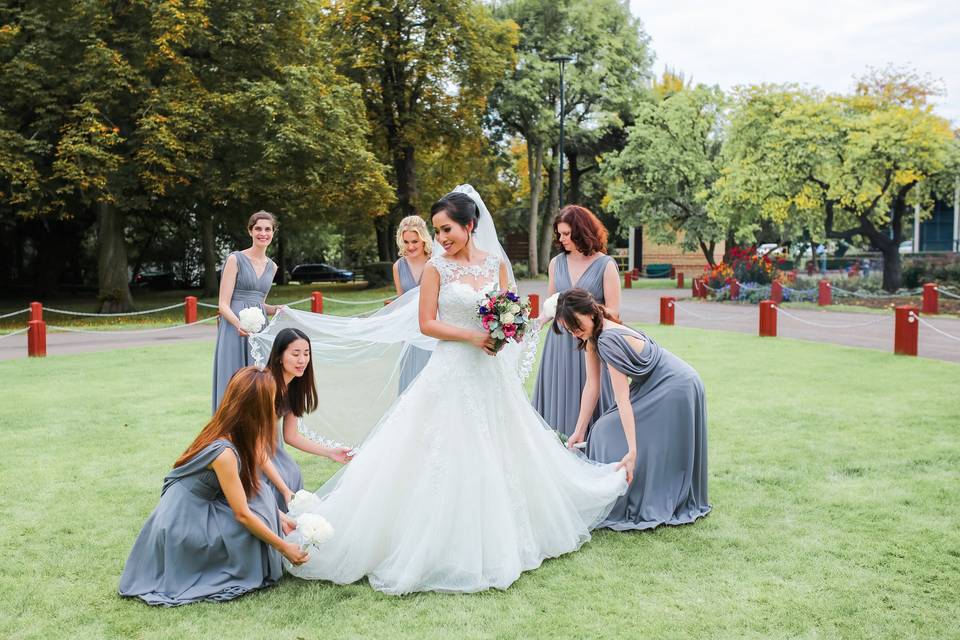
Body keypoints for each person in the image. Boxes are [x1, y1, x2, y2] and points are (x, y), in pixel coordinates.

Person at [275, 186, 628, 595]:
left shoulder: (495, 263)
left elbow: (507, 308)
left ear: (470, 225)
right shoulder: (435, 269)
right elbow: (427, 323)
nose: (441, 238)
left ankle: (507, 529)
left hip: (490, 370)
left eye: (447, 230)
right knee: (438, 447)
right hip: (452, 367)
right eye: (437, 231)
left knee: (503, 444)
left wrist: (505, 329)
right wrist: (472, 337)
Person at [119, 367, 308, 606]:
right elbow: (241, 514)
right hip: (184, 519)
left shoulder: (236, 430)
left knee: (264, 502)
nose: (274, 408)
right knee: (250, 524)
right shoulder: (225, 451)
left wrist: (279, 517)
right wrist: (284, 548)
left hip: (203, 503)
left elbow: (249, 489)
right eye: (271, 401)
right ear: (257, 407)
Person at [554, 288, 711, 531]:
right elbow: (592, 386)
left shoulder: (608, 339)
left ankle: (627, 499)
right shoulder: (593, 338)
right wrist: (579, 430)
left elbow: (622, 397)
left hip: (676, 386)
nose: (574, 332)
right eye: (569, 328)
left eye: (576, 324)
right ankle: (613, 496)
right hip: (660, 385)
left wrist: (633, 449)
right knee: (601, 429)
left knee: (607, 430)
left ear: (591, 313)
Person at [533, 205, 620, 437]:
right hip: (559, 343)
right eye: (559, 234)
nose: (561, 240)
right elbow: (551, 304)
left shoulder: (606, 265)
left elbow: (614, 313)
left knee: (591, 390)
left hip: (589, 343)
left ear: (582, 231)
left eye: (566, 234)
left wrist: (583, 313)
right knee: (558, 398)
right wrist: (538, 321)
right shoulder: (556, 263)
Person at [265, 328, 352, 510]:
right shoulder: (266, 386)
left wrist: (330, 452)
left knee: (292, 471)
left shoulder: (294, 388)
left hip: (271, 449)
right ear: (279, 356)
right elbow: (253, 444)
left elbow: (291, 436)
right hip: (249, 449)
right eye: (295, 354)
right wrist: (284, 489)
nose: (302, 360)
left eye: (306, 353)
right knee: (284, 475)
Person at [212, 211, 283, 412]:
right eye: (258, 229)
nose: (263, 233)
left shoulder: (272, 267)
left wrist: (275, 309)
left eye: (267, 229)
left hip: (259, 330)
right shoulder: (236, 259)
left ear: (273, 233)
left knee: (260, 382)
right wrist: (238, 324)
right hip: (234, 329)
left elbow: (260, 303)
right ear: (250, 231)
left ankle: (258, 436)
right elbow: (223, 304)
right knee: (234, 378)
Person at [392, 215, 433, 391]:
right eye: (406, 241)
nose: (410, 247)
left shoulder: (436, 261)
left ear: (423, 238)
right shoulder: (398, 266)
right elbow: (401, 301)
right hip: (409, 331)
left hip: (433, 329)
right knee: (410, 381)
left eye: (415, 241)